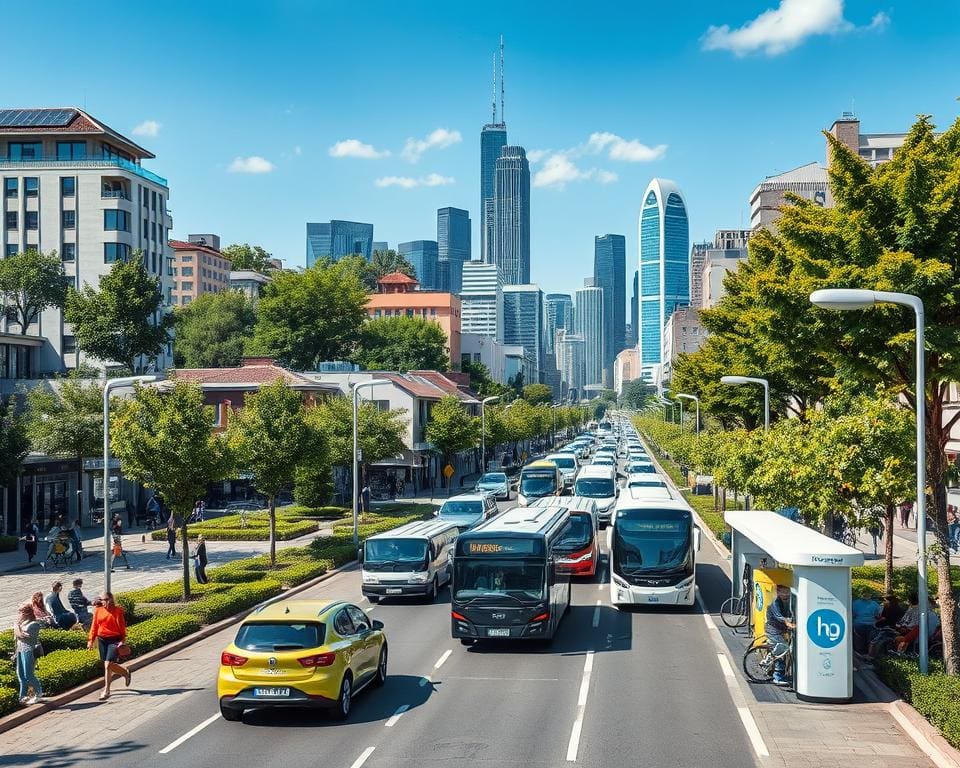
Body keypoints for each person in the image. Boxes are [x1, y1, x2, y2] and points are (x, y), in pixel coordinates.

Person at [87, 592, 130, 700]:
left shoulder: (117, 611)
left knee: (108, 665)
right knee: (109, 665)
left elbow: (122, 627)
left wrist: (123, 640)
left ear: (111, 599)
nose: (104, 602)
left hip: (114, 640)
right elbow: (94, 626)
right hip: (102, 640)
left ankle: (107, 690)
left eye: (106, 599)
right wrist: (91, 640)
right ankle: (125, 672)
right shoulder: (98, 610)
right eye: (102, 600)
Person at [765, 584, 795, 686]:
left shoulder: (788, 602)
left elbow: (790, 614)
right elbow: (779, 617)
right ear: (778, 592)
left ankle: (772, 661)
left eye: (787, 592)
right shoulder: (775, 603)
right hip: (772, 630)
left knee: (784, 649)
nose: (786, 594)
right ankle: (777, 677)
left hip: (780, 630)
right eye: (783, 592)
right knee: (783, 648)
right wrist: (788, 623)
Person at [14, 603, 43, 705]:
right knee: (21, 675)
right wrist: (18, 628)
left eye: (20, 612)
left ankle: (39, 693)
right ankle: (22, 696)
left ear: (26, 613)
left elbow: (20, 635)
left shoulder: (34, 624)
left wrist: (17, 626)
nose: (19, 614)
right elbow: (18, 635)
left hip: (28, 651)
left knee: (29, 674)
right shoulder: (23, 623)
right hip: (20, 650)